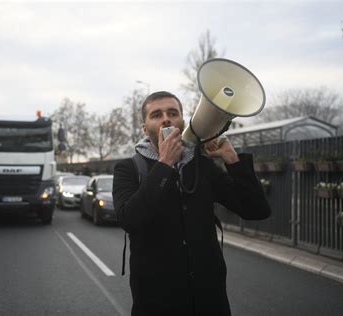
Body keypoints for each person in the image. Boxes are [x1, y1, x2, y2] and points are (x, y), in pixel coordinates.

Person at [112, 91, 271, 316]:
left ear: (182, 122)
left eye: (173, 113)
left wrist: (233, 160)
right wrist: (165, 163)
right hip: (157, 300)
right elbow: (129, 219)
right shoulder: (128, 168)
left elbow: (256, 209)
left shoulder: (202, 166)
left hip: (209, 298)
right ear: (145, 129)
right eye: (156, 115)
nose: (166, 118)